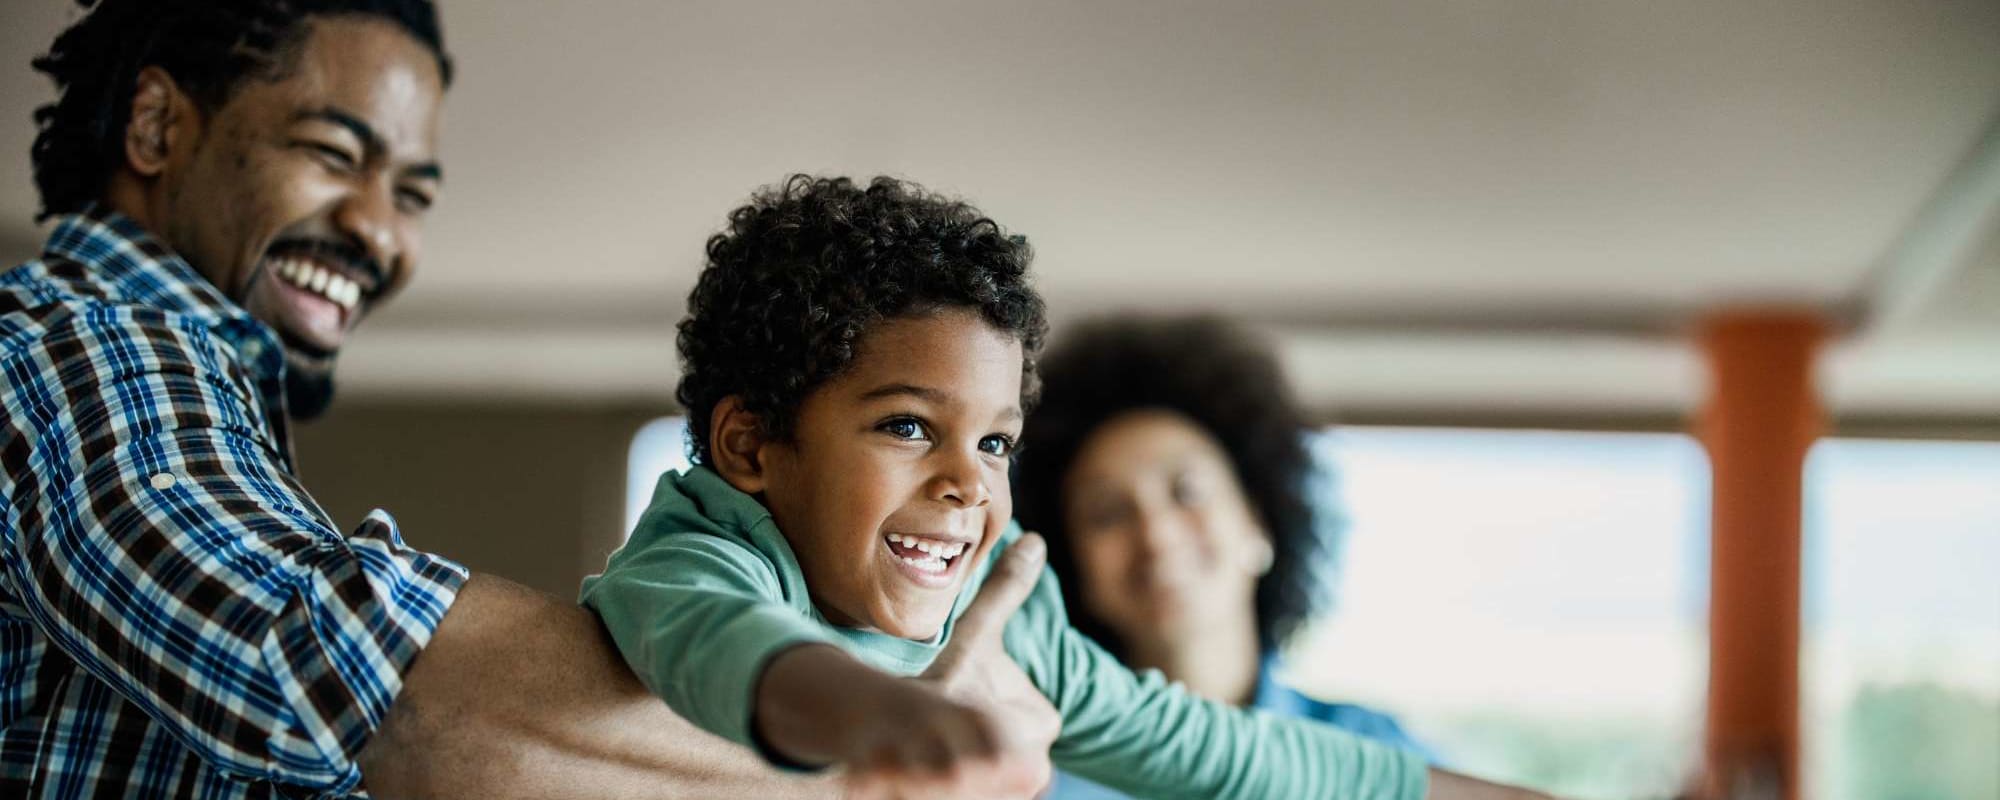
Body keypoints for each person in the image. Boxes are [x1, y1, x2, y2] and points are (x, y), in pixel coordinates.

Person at [0, 4, 1051, 797]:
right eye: (331, 154)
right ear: (153, 124)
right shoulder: (78, 342)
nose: (377, 232)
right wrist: (878, 731)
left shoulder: (192, 397)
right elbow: (321, 659)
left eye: (409, 193)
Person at [581, 175, 1554, 800]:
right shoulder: (701, 550)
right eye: (908, 425)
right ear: (749, 445)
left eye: (996, 441)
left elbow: (1218, 751)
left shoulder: (1005, 606)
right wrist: (893, 715)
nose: (967, 481)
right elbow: (732, 645)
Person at [1013, 314, 1436, 799]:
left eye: (1187, 491)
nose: (1156, 534)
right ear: (1073, 565)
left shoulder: (1376, 752)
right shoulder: (1029, 772)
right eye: (1107, 513)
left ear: (1259, 523)